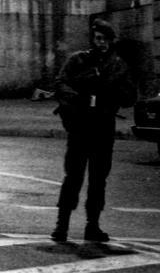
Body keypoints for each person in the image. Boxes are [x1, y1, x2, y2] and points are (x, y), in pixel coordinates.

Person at [51, 19, 137, 243]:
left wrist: (114, 91)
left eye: (105, 39)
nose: (101, 43)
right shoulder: (78, 60)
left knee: (99, 180)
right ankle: (62, 225)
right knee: (73, 177)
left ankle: (93, 225)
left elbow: (129, 97)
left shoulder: (118, 66)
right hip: (80, 125)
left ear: (111, 41)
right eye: (98, 38)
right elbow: (60, 83)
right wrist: (76, 95)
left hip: (102, 126)